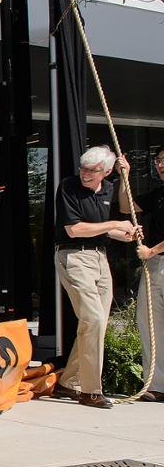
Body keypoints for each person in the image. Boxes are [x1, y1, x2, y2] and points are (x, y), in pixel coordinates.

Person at [53, 146, 140, 408]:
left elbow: (101, 228)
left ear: (107, 172)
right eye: (83, 168)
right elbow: (75, 229)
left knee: (97, 324)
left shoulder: (109, 188)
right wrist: (114, 225)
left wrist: (122, 233)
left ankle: (68, 382)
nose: (85, 174)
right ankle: (90, 390)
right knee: (92, 319)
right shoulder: (68, 186)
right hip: (74, 256)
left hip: (100, 258)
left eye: (92, 170)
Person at [118, 148, 164, 402]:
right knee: (151, 325)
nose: (161, 165)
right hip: (154, 264)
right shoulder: (158, 194)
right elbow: (127, 207)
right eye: (158, 161)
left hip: (155, 256)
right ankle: (156, 385)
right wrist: (125, 177)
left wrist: (152, 250)